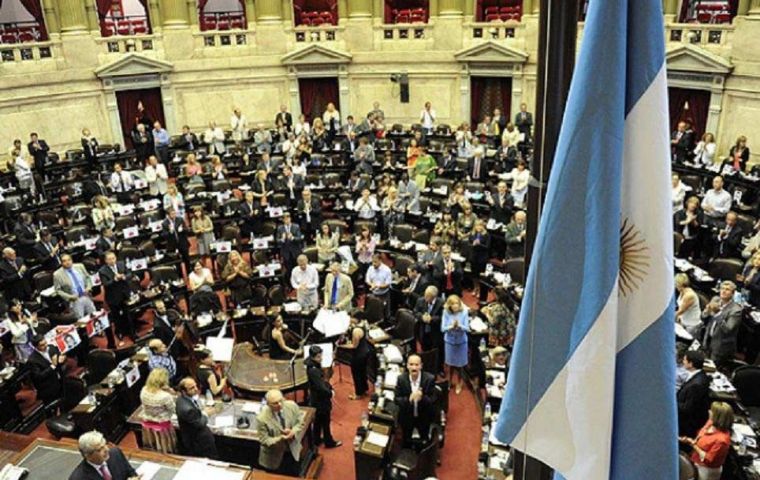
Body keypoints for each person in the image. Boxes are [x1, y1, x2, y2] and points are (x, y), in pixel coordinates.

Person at [256, 389, 306, 475]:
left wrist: (293, 431)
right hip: (273, 457)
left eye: (281, 400)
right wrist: (280, 438)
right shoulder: (262, 418)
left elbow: (300, 421)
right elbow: (264, 440)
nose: (279, 404)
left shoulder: (291, 406)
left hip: (293, 451)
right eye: (275, 403)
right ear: (268, 404)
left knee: (295, 474)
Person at [680, 402, 734, 480]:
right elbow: (701, 433)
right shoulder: (710, 423)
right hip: (695, 461)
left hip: (706, 471)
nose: (709, 411)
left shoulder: (722, 440)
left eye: (712, 411)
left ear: (717, 417)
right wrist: (694, 441)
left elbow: (709, 460)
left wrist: (693, 445)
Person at [394, 354, 437, 447]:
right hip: (407, 417)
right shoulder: (401, 379)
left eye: (417, 365)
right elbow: (396, 399)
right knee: (406, 440)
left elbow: (433, 400)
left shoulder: (429, 379)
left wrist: (422, 397)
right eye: (411, 364)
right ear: (407, 365)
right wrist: (409, 399)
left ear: (421, 366)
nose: (414, 367)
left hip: (424, 417)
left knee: (424, 439)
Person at [305, 346, 342, 448]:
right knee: (325, 421)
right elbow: (321, 386)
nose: (321, 358)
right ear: (313, 357)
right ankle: (329, 442)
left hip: (315, 398)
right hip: (320, 400)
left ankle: (316, 440)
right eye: (318, 356)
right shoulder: (313, 370)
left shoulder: (312, 365)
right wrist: (330, 393)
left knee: (318, 421)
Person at [701, 281, 742, 370]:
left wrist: (717, 313)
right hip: (707, 340)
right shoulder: (715, 299)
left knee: (710, 370)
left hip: (720, 347)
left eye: (727, 290)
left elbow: (727, 329)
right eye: (722, 288)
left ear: (733, 293)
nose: (723, 291)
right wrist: (707, 311)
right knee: (701, 365)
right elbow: (703, 317)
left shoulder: (736, 310)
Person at [68, 430, 139, 480]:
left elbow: (131, 472)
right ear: (88, 455)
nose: (107, 450)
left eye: (105, 444)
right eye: (100, 449)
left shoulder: (115, 454)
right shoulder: (78, 478)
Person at [99, 251, 136, 342]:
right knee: (116, 317)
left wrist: (125, 277)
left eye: (113, 258)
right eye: (109, 259)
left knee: (128, 314)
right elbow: (105, 284)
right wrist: (114, 279)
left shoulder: (121, 264)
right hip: (113, 297)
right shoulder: (102, 271)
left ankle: (132, 333)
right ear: (106, 261)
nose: (112, 261)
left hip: (125, 293)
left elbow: (130, 274)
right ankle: (119, 332)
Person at [176, 377, 218, 459]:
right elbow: (200, 423)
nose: (196, 389)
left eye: (195, 386)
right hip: (199, 442)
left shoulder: (181, 399)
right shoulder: (187, 409)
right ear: (184, 391)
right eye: (192, 388)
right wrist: (206, 413)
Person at [139, 368, 177, 454]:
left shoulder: (144, 390)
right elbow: (173, 409)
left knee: (152, 449)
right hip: (162, 427)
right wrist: (171, 393)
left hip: (147, 426)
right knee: (166, 450)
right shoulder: (165, 396)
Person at [677, 350, 711, 438]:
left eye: (684, 360)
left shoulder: (696, 385)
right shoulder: (701, 375)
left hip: (687, 424)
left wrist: (671, 402)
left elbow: (687, 408)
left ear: (691, 364)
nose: (683, 362)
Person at [442, 294, 470, 395]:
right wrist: (450, 327)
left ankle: (459, 383)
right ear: (449, 305)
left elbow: (467, 328)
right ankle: (449, 381)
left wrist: (460, 326)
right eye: (453, 304)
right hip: (450, 342)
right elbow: (443, 328)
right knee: (450, 364)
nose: (455, 306)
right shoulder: (446, 312)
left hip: (461, 342)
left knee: (460, 365)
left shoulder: (464, 312)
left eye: (457, 304)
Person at [54, 254, 96, 318]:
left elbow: (88, 278)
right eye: (64, 261)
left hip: (86, 295)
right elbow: (58, 290)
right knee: (81, 320)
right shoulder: (57, 274)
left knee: (94, 315)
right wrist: (70, 297)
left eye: (69, 260)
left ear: (72, 260)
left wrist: (88, 287)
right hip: (74, 300)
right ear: (61, 263)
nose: (67, 262)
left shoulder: (80, 266)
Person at [414, 285, 444, 372]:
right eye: (425, 295)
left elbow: (443, 317)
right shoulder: (420, 300)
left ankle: (439, 369)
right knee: (425, 350)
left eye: (428, 296)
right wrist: (422, 317)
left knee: (437, 352)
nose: (425, 298)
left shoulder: (441, 303)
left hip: (435, 333)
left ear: (434, 297)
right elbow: (415, 311)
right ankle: (426, 367)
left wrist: (432, 319)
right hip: (423, 331)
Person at [28, 335, 65, 405]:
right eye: (42, 345)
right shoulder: (32, 360)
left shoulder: (51, 347)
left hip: (61, 380)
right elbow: (39, 377)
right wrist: (53, 366)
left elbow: (61, 355)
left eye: (45, 343)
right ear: (35, 347)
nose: (45, 346)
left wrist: (62, 359)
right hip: (49, 388)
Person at [340, 325, 372, 400]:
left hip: (359, 356)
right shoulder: (360, 326)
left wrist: (341, 346)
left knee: (357, 374)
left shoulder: (355, 332)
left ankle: (358, 394)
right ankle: (364, 389)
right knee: (362, 373)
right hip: (365, 352)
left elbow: (354, 346)